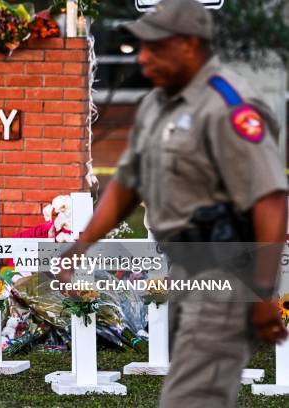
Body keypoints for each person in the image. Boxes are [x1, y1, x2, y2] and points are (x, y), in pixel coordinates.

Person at [70, 0, 288, 406]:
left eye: (157, 46)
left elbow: (271, 198)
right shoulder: (156, 105)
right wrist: (81, 245)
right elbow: (127, 183)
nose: (144, 56)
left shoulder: (231, 105)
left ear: (189, 45)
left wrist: (263, 292)